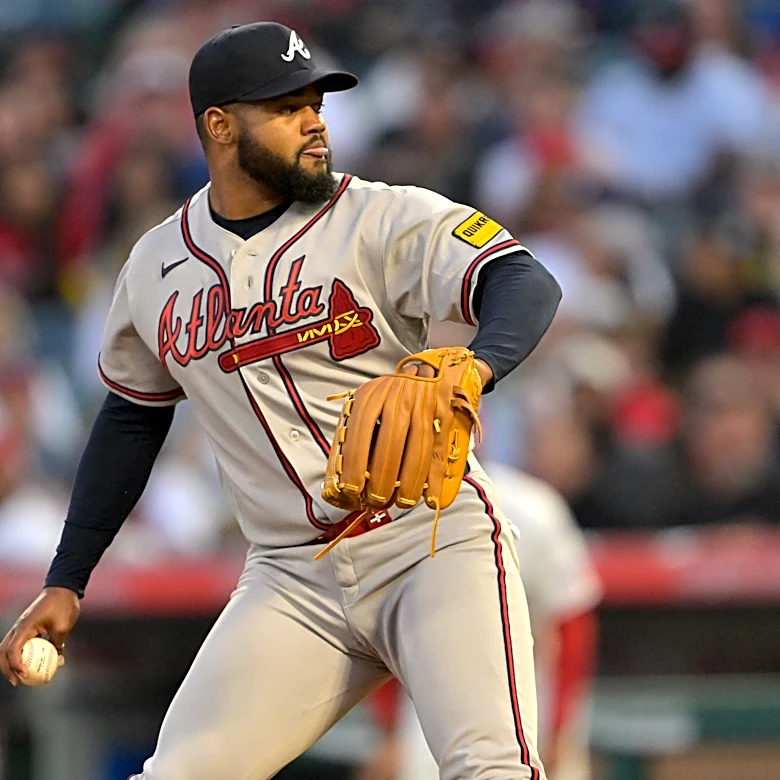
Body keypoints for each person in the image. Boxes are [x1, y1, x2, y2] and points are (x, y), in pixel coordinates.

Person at [0, 22, 561, 780]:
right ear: (220, 126)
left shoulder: (381, 215)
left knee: (491, 769)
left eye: (316, 104)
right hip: (292, 577)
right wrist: (68, 578)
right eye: (286, 107)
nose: (313, 123)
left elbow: (524, 280)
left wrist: (477, 363)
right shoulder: (157, 265)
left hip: (428, 541)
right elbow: (132, 417)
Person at [360, 463, 602, 780]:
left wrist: (559, 728)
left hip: (528, 693)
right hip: (430, 700)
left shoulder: (533, 507)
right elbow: (382, 623)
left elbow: (572, 625)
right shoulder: (397, 510)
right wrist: (389, 728)